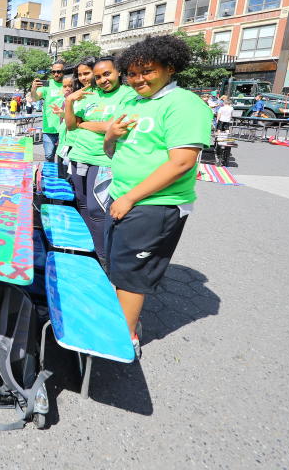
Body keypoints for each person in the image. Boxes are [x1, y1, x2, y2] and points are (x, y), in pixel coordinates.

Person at [103, 35, 212, 358]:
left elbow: (182, 162)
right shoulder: (131, 103)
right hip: (122, 197)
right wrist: (110, 135)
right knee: (120, 268)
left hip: (153, 205)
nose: (138, 80)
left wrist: (130, 198)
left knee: (133, 276)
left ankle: (125, 338)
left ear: (170, 67)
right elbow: (111, 151)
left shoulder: (185, 104)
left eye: (147, 72)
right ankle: (120, 321)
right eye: (132, 74)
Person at [64, 56, 136, 264]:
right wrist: (69, 101)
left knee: (98, 211)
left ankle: (103, 256)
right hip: (79, 156)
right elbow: (70, 125)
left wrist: (84, 123)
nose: (103, 80)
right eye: (98, 77)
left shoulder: (128, 95)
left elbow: (113, 126)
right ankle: (89, 249)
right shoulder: (89, 94)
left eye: (107, 74)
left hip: (103, 159)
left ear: (118, 72)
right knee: (82, 205)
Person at [31, 61, 66, 161]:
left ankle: (60, 176)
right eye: (53, 72)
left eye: (59, 71)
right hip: (49, 129)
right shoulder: (47, 85)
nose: (56, 74)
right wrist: (33, 89)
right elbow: (35, 98)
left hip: (65, 129)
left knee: (63, 159)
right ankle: (47, 176)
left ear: (64, 71)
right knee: (49, 156)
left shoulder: (69, 85)